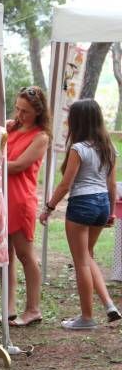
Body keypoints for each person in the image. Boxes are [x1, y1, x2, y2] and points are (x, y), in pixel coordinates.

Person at [39, 99, 120, 330]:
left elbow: (66, 184)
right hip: (102, 203)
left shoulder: (79, 149)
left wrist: (48, 208)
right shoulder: (109, 148)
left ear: (77, 122)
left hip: (82, 204)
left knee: (81, 261)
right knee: (88, 255)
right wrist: (111, 212)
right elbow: (112, 185)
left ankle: (86, 318)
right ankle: (109, 304)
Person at [0, 86, 51, 327]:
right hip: (2, 197)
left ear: (37, 112)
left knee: (25, 255)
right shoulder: (12, 128)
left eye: (25, 111)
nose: (19, 114)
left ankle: (33, 308)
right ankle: (9, 307)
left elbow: (18, 166)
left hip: (21, 200)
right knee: (3, 256)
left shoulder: (41, 137)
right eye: (17, 108)